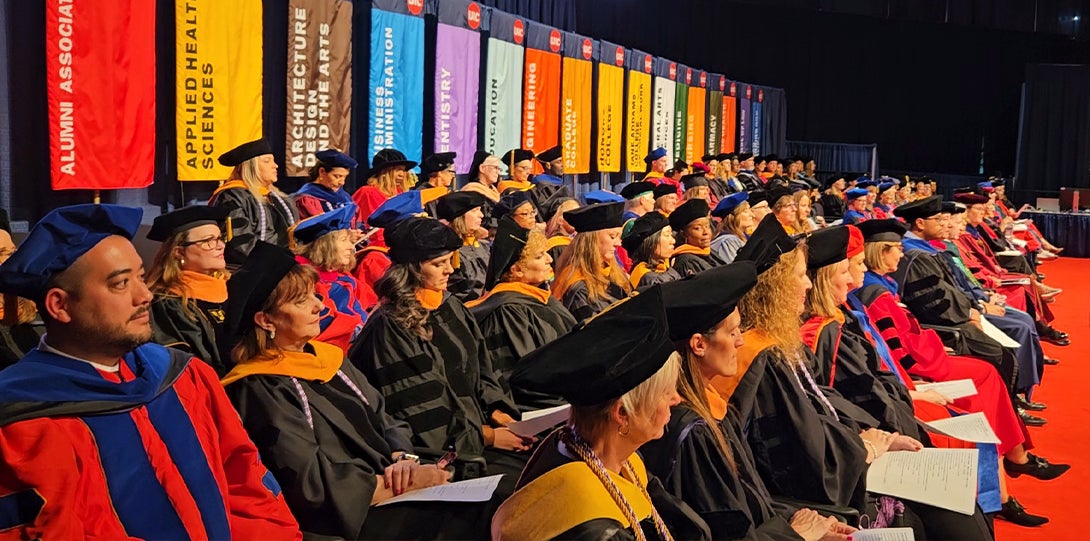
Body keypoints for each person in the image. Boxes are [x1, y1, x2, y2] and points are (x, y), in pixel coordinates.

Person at [0, 204, 300, 540]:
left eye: (141, 276)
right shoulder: (22, 421)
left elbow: (246, 479)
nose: (144, 295)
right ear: (59, 305)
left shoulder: (183, 376)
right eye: (120, 283)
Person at [221, 242, 493, 539]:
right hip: (350, 514)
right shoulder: (259, 386)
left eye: (314, 294)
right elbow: (310, 481)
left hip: (392, 483)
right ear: (265, 320)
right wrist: (402, 484)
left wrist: (404, 458)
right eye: (301, 302)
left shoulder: (328, 359)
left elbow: (385, 417)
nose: (320, 306)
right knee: (478, 518)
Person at [854, 218, 1068, 526]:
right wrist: (929, 352)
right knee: (983, 379)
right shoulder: (875, 295)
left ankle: (1012, 465)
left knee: (988, 373)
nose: (900, 257)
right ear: (879, 252)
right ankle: (1005, 481)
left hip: (920, 364)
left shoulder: (882, 286)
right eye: (895, 250)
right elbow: (903, 351)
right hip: (918, 370)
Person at [641, 261, 856, 541]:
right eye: (732, 333)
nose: (741, 342)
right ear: (698, 344)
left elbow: (752, 501)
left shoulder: (713, 406)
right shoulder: (689, 432)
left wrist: (801, 521)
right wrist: (793, 534)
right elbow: (725, 533)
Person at [493, 288, 712, 541]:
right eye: (666, 392)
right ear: (622, 413)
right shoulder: (589, 520)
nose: (677, 399)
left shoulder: (615, 461)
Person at [348, 217, 532, 481]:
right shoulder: (393, 325)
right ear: (411, 269)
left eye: (449, 260)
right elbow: (420, 409)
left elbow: (481, 368)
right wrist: (487, 436)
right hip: (439, 453)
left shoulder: (450, 305)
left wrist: (498, 413)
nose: (449, 270)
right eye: (438, 264)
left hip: (475, 431)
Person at [467, 216, 577, 410]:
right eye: (540, 255)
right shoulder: (508, 311)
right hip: (541, 413)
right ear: (517, 270)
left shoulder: (540, 297)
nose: (550, 259)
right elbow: (525, 379)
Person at [147, 205, 233, 375]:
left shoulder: (233, 287)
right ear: (178, 252)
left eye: (220, 238)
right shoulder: (167, 303)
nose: (220, 246)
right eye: (209, 241)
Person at [289, 204, 368, 353]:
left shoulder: (345, 279)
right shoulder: (299, 279)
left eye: (350, 241)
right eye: (344, 240)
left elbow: (361, 313)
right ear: (325, 245)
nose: (351, 247)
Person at [209, 138, 299, 267]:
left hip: (285, 264)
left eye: (273, 161)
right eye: (267, 161)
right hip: (250, 270)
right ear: (251, 167)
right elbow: (241, 245)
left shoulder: (282, 198)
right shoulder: (232, 197)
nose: (275, 165)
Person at [552, 202, 632, 321]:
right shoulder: (578, 287)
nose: (618, 243)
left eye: (619, 237)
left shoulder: (612, 271)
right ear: (592, 241)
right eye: (612, 236)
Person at [351, 148, 417, 247]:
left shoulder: (400, 193)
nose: (402, 174)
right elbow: (375, 231)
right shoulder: (368, 193)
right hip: (377, 247)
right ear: (385, 171)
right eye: (398, 169)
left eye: (403, 170)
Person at [437, 190, 491, 302]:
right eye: (475, 210)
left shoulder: (484, 246)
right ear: (460, 217)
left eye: (480, 210)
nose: (481, 215)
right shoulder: (449, 252)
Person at [293, 148, 359, 219]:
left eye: (344, 177)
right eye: (337, 176)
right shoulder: (307, 198)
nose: (342, 182)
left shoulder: (345, 197)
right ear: (322, 172)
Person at [624, 212, 681, 289]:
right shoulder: (648, 279)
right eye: (667, 235)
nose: (673, 241)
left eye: (671, 235)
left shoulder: (667, 269)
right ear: (650, 243)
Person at [669, 198, 720, 276]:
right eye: (697, 228)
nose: (706, 232)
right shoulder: (686, 262)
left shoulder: (708, 251)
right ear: (684, 234)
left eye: (707, 226)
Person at [463, 150, 504, 228]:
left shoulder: (495, 191)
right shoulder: (472, 191)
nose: (498, 173)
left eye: (499, 169)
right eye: (495, 168)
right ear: (482, 168)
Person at [710, 192, 752, 265]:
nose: (752, 214)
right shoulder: (727, 243)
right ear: (733, 217)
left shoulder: (743, 237)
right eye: (745, 211)